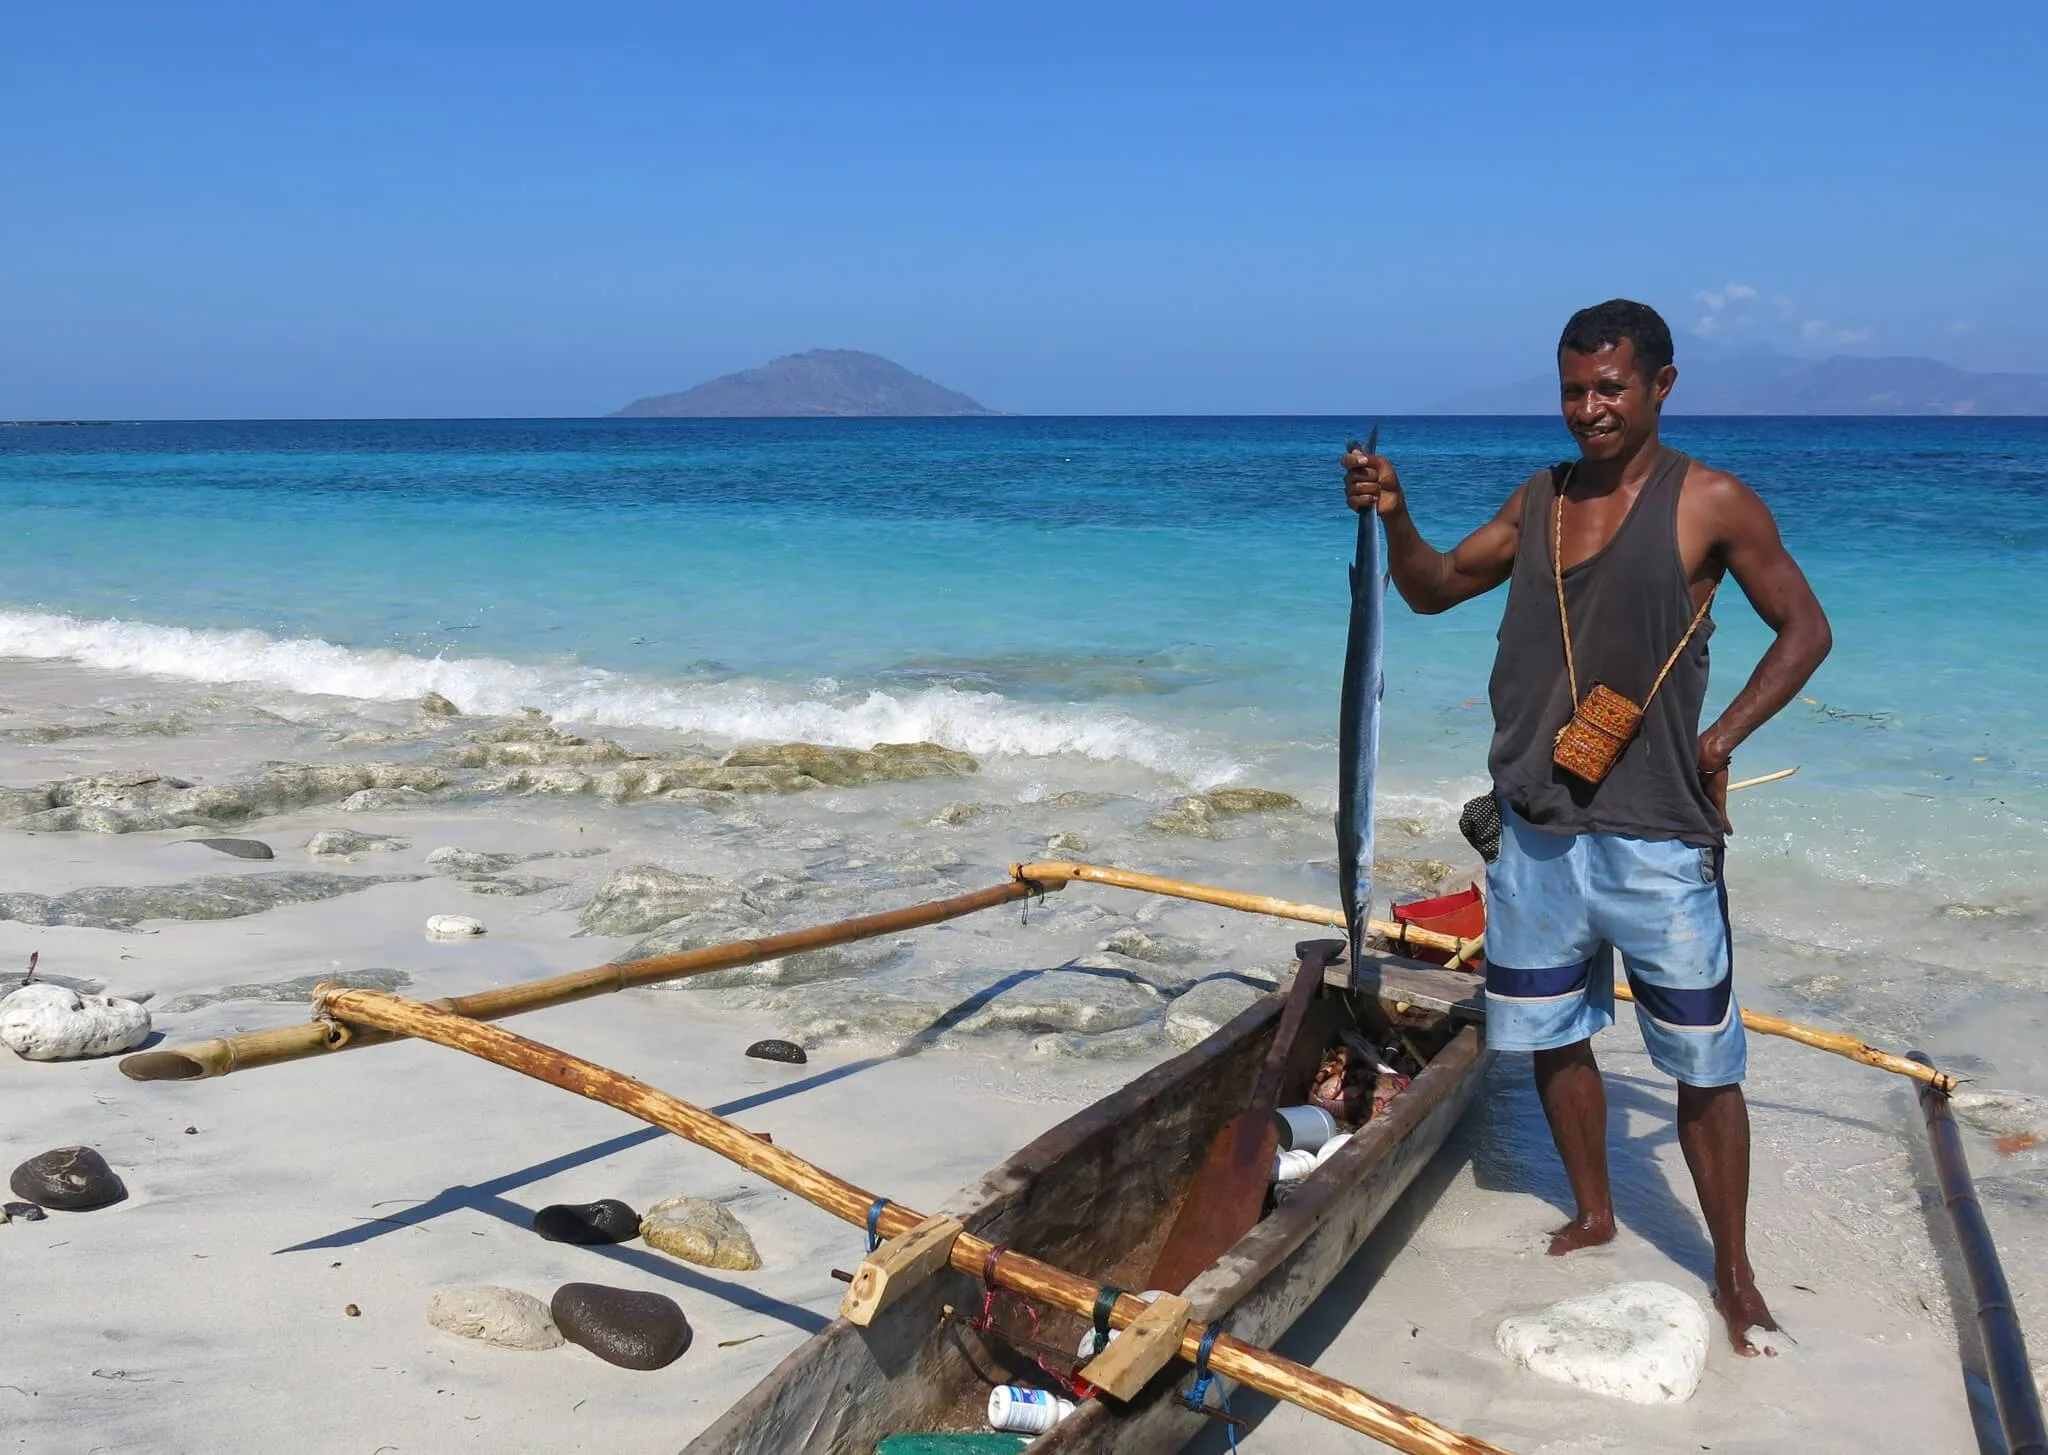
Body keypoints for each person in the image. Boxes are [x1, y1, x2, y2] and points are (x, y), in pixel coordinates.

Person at [1343, 299, 1832, 1356]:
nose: (1588, 409)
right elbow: (1427, 592)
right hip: (1535, 826)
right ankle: (1594, 1210)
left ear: (1660, 384)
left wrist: (1718, 737)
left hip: (1657, 833)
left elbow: (1804, 628)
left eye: (1609, 387)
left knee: (1701, 1063)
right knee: (1550, 1035)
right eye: (1572, 389)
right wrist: (1393, 511)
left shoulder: (1710, 501)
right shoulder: (1540, 499)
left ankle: (1734, 1275)